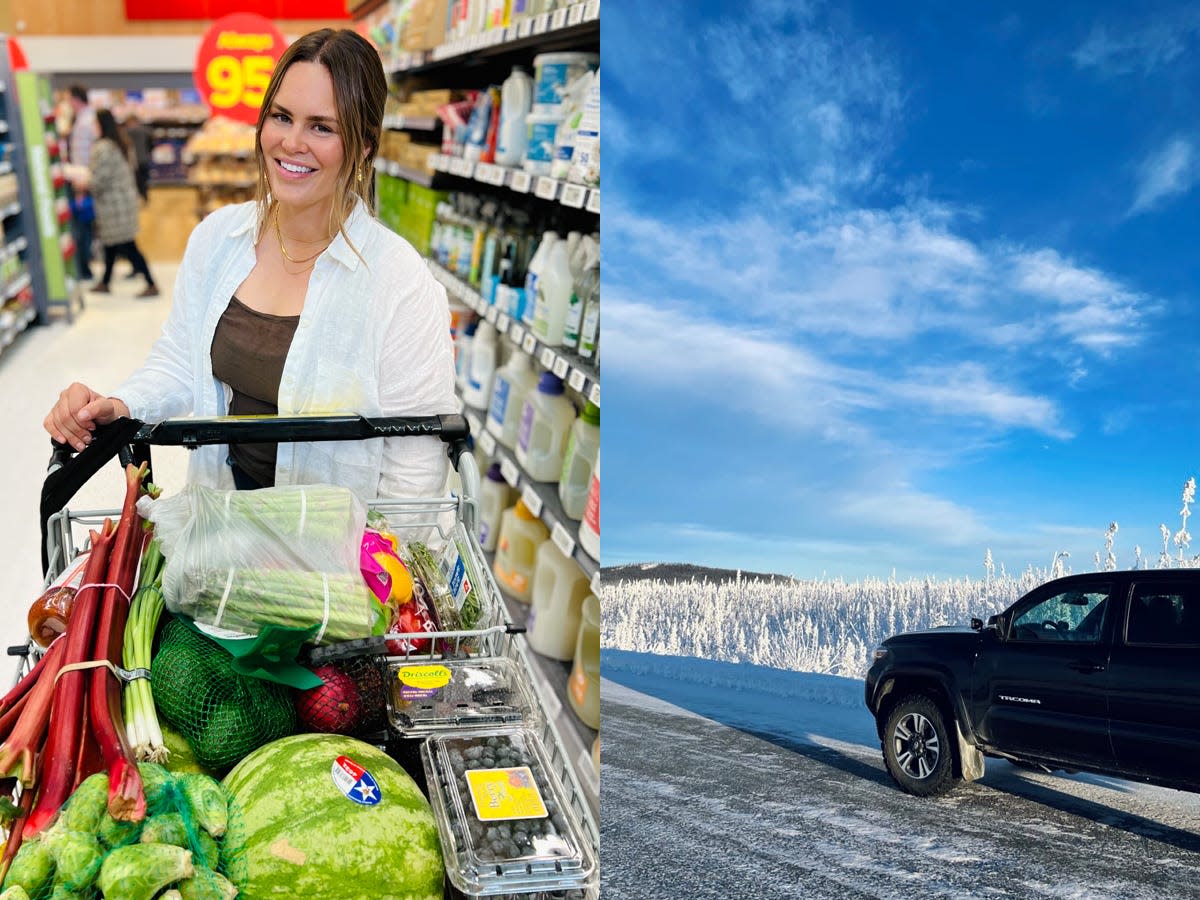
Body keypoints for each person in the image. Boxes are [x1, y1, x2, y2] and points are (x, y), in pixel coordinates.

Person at [44, 29, 456, 502]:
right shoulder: (218, 240)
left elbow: (415, 470)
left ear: (363, 146)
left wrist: (366, 566)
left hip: (339, 556)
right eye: (281, 117)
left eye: (322, 126)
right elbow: (182, 359)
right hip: (224, 516)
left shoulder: (399, 282)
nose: (291, 143)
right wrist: (117, 405)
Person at [87, 109, 159, 297]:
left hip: (113, 204)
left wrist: (82, 180)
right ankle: (105, 281)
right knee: (112, 244)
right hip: (123, 201)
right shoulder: (119, 142)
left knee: (127, 244)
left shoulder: (103, 147)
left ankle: (151, 283)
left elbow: (99, 179)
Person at [66, 84, 96, 281]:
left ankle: (84, 267)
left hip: (83, 180)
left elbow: (82, 157)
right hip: (86, 178)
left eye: (69, 100)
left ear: (76, 99)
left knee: (83, 225)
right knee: (87, 225)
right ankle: (86, 263)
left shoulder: (84, 122)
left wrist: (80, 183)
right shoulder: (87, 119)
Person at [122, 110, 153, 203]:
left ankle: (140, 197)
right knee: (144, 180)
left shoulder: (126, 132)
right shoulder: (146, 131)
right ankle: (145, 197)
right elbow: (150, 144)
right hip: (144, 159)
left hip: (135, 161)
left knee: (137, 181)